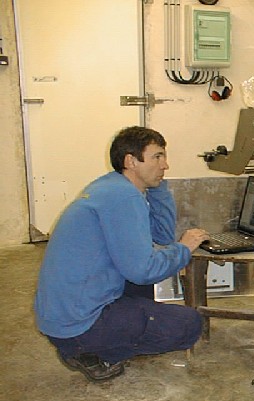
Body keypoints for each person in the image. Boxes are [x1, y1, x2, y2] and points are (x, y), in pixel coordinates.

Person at [34, 126, 210, 382]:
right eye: (157, 157)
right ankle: (90, 352)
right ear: (131, 161)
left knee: (140, 283)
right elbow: (144, 270)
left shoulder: (112, 186)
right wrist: (184, 248)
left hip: (62, 315)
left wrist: (157, 186)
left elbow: (161, 236)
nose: (165, 165)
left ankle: (94, 342)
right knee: (189, 324)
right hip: (78, 324)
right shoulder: (123, 197)